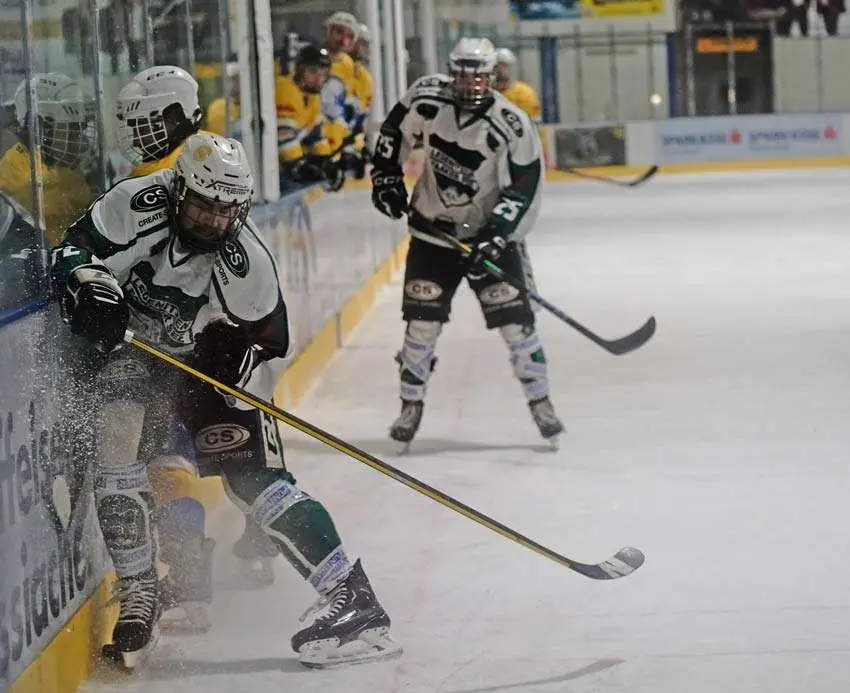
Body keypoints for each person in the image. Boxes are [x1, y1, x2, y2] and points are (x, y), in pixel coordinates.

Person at [50, 132, 402, 669]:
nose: (216, 220)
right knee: (116, 455)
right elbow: (72, 247)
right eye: (203, 205)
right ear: (177, 190)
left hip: (205, 363)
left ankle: (351, 597)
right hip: (131, 352)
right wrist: (88, 282)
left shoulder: (247, 260)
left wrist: (216, 367)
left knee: (254, 480)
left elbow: (270, 336)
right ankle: (141, 588)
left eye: (228, 209)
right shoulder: (136, 201)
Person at [370, 37, 564, 450]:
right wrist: (386, 177)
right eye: (461, 73)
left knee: (517, 326)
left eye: (477, 75)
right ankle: (410, 404)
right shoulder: (426, 98)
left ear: (492, 76)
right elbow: (393, 133)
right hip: (432, 237)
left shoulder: (511, 124)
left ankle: (540, 400)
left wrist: (496, 234)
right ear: (451, 71)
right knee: (421, 327)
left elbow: (525, 187)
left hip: (487, 241)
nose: (468, 82)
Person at [114, 64, 217, 631]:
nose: (139, 132)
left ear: (176, 116)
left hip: (167, 342)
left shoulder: (165, 174)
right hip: (201, 340)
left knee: (159, 456)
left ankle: (189, 573)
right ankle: (200, 567)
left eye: (149, 120)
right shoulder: (208, 157)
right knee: (175, 453)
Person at [0, 73, 94, 246]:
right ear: (42, 127)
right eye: (72, 131)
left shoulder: (66, 167)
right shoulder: (14, 169)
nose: (80, 140)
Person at [277, 44, 344, 191]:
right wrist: (299, 165)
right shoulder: (285, 90)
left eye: (324, 73)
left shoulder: (312, 96)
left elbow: (316, 133)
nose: (319, 79)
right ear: (300, 71)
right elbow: (284, 136)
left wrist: (326, 162)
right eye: (313, 72)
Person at [493, 48, 550, 166]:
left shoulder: (525, 93)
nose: (500, 70)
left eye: (504, 65)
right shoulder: (488, 94)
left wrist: (543, 150)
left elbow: (536, 126)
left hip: (521, 151)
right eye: (497, 66)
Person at [321, 11, 360, 153]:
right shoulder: (314, 56)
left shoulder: (349, 65)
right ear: (329, 31)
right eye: (339, 32)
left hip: (337, 133)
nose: (344, 40)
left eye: (350, 36)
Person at [344, 22, 374, 179]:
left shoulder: (365, 78)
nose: (365, 48)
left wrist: (361, 147)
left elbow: (360, 119)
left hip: (351, 151)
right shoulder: (332, 71)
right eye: (361, 43)